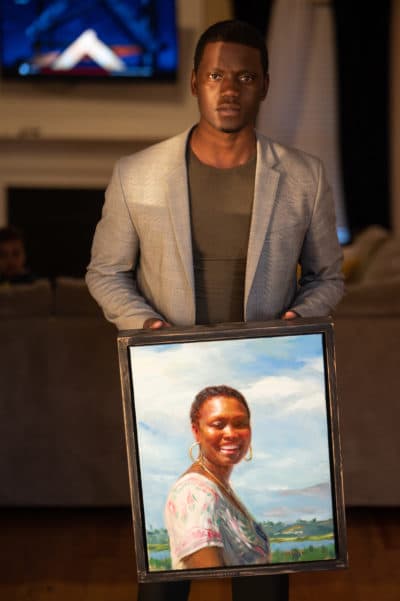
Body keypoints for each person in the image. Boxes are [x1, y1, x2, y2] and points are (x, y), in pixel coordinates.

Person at [86, 18, 343, 601]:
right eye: (217, 75)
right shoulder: (137, 174)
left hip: (257, 384)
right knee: (166, 582)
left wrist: (299, 321)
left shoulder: (304, 176)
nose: (230, 89)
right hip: (169, 377)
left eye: (245, 76)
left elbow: (328, 276)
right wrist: (147, 327)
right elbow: (105, 272)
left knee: (261, 578)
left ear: (265, 85)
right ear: (196, 83)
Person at [165, 385, 271, 569]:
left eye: (240, 424)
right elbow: (211, 582)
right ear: (196, 432)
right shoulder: (194, 494)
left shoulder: (219, 487)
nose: (231, 434)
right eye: (218, 425)